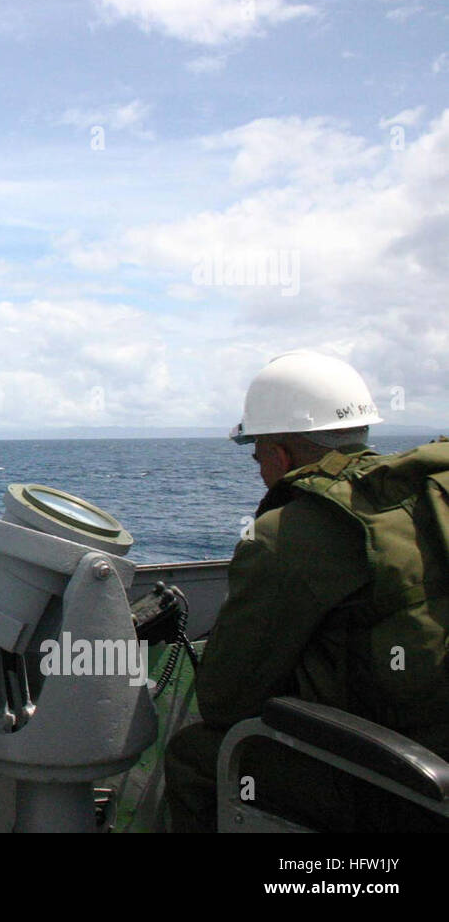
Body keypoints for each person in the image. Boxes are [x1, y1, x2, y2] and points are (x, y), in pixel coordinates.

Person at [164, 350, 449, 833]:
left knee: (195, 756)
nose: (261, 471)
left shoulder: (291, 533)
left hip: (407, 786)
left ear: (279, 454)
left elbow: (225, 701)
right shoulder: (429, 495)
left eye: (259, 458)